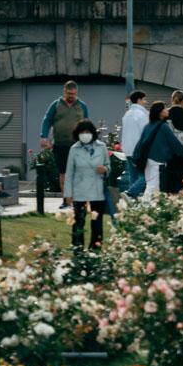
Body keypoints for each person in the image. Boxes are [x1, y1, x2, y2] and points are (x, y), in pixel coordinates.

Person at [63, 121, 112, 251]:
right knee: (78, 221)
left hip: (97, 189)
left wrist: (105, 169)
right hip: (79, 190)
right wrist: (68, 194)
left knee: (97, 222)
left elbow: (108, 166)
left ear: (93, 133)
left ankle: (95, 249)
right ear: (77, 134)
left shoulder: (102, 147)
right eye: (82, 132)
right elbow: (69, 173)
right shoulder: (74, 149)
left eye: (87, 132)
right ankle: (77, 249)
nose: (85, 135)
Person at [131, 101, 183, 200]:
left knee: (151, 186)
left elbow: (140, 144)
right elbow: (174, 143)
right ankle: (140, 210)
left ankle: (147, 209)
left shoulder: (148, 126)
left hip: (147, 161)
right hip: (157, 161)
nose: (167, 110)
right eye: (165, 108)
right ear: (160, 112)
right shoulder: (163, 126)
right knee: (153, 188)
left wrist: (135, 157)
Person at [39, 80, 88, 188]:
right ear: (64, 91)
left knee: (77, 172)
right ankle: (66, 200)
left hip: (77, 144)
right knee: (63, 173)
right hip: (60, 144)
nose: (71, 96)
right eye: (69, 94)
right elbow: (47, 120)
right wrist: (44, 137)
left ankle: (77, 200)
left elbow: (87, 124)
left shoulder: (82, 106)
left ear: (77, 92)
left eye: (74, 94)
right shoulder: (56, 104)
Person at [118, 90, 150, 197]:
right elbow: (146, 133)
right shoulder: (142, 115)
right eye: (144, 99)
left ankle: (131, 202)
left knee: (133, 177)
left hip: (128, 150)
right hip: (139, 150)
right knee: (147, 176)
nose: (145, 102)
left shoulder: (127, 115)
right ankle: (130, 193)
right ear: (139, 100)